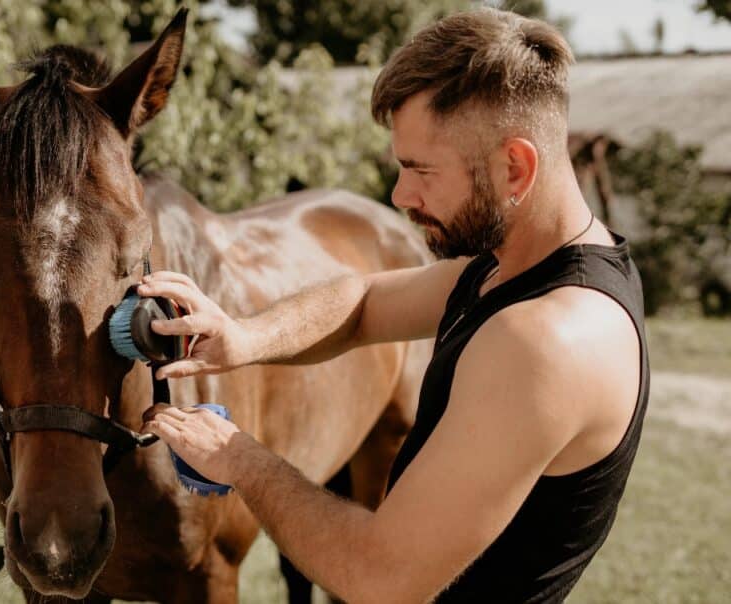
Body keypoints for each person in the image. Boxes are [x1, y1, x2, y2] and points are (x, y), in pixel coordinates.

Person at [140, 8, 649, 603]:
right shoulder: (515, 265)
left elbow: (379, 577)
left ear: (514, 166)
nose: (400, 195)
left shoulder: (546, 339)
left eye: (420, 170)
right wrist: (245, 337)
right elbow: (364, 299)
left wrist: (241, 460)